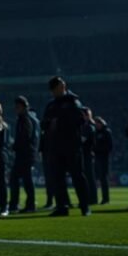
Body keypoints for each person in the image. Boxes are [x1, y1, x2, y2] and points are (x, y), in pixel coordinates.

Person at [41, 76, 91, 216]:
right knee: (58, 178)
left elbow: (81, 120)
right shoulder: (51, 105)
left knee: (78, 176)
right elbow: (43, 123)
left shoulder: (73, 102)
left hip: (71, 145)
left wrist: (61, 122)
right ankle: (62, 207)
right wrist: (50, 123)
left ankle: (85, 206)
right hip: (56, 146)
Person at [8, 95, 40, 213]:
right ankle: (27, 204)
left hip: (24, 154)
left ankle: (17, 204)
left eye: (17, 107)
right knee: (26, 179)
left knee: (18, 179)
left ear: (22, 106)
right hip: (28, 153)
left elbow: (25, 137)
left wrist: (15, 146)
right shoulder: (30, 119)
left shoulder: (24, 119)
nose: (16, 109)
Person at [93, 116, 113, 205]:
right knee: (97, 179)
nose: (96, 125)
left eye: (98, 123)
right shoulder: (96, 133)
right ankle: (95, 198)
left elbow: (109, 147)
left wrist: (98, 149)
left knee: (103, 179)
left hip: (103, 158)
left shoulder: (106, 132)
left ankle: (106, 199)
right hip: (97, 158)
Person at [81, 107, 98, 206]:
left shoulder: (89, 127)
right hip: (87, 154)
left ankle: (92, 198)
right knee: (88, 177)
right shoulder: (88, 126)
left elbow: (83, 140)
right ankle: (90, 198)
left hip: (87, 154)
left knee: (89, 177)